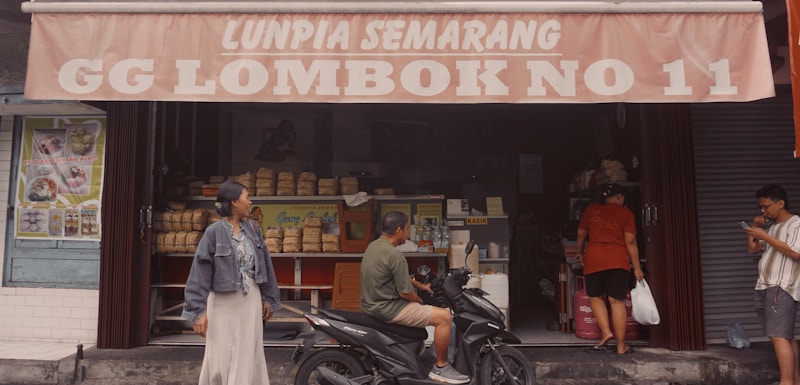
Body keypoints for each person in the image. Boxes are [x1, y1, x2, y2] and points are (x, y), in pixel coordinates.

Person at [182, 181, 282, 385]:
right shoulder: (213, 232)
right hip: (221, 304)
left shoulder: (254, 230)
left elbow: (265, 265)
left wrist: (269, 298)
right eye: (247, 197)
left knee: (247, 355)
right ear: (235, 202)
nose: (250, 201)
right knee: (219, 358)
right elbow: (199, 273)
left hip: (249, 302)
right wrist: (197, 311)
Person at [360, 211, 469, 384]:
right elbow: (405, 293)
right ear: (398, 230)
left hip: (373, 305)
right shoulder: (396, 256)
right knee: (444, 317)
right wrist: (420, 300)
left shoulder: (373, 247)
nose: (407, 234)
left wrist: (422, 286)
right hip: (389, 309)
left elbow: (397, 277)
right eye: (405, 229)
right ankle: (441, 367)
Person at [575, 183, 644, 355]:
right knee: (617, 301)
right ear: (619, 197)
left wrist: (579, 252)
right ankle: (621, 346)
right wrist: (637, 268)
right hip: (618, 259)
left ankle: (606, 332)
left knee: (595, 296)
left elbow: (581, 234)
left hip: (594, 258)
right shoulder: (626, 213)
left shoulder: (591, 210)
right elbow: (630, 241)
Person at [744, 184, 800, 385]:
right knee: (782, 335)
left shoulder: (795, 224)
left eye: (766, 206)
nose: (763, 211)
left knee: (778, 336)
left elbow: (796, 252)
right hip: (765, 285)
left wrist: (765, 236)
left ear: (781, 203)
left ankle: (787, 382)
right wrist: (756, 229)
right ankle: (794, 380)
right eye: (761, 207)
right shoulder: (774, 227)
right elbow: (753, 249)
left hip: (781, 286)